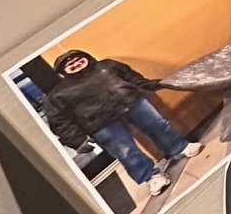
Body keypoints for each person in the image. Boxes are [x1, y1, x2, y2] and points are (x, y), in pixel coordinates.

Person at [42, 51, 200, 197]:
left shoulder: (107, 65)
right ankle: (152, 176)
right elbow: (60, 122)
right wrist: (77, 141)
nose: (76, 64)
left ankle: (180, 147)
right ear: (64, 72)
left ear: (87, 58)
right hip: (100, 124)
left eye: (78, 60)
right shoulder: (57, 94)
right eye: (70, 65)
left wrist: (150, 84)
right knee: (126, 152)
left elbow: (132, 78)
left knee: (159, 125)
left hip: (132, 102)